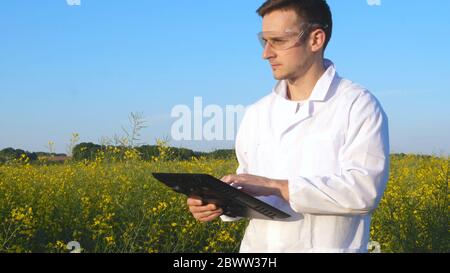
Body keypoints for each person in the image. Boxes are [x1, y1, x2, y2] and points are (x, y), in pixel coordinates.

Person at [187, 0, 390, 253]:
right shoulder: (257, 112)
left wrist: (278, 186)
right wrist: (221, 202)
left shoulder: (357, 105)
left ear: (315, 40)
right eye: (264, 41)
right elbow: (251, 189)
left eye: (278, 41)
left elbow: (364, 191)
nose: (266, 53)